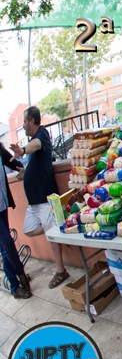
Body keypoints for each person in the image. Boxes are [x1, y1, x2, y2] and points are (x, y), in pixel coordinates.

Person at [10, 106, 70, 289]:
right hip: (34, 201)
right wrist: (25, 171)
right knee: (28, 229)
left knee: (52, 238)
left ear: (32, 121)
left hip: (45, 197)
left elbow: (36, 145)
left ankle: (61, 271)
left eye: (25, 122)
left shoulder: (41, 135)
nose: (24, 125)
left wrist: (22, 151)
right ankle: (54, 227)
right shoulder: (35, 140)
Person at [0, 143, 30, 299]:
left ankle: (14, 287)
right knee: (7, 244)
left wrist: (27, 167)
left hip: (2, 204)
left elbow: (13, 162)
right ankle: (20, 273)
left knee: (5, 249)